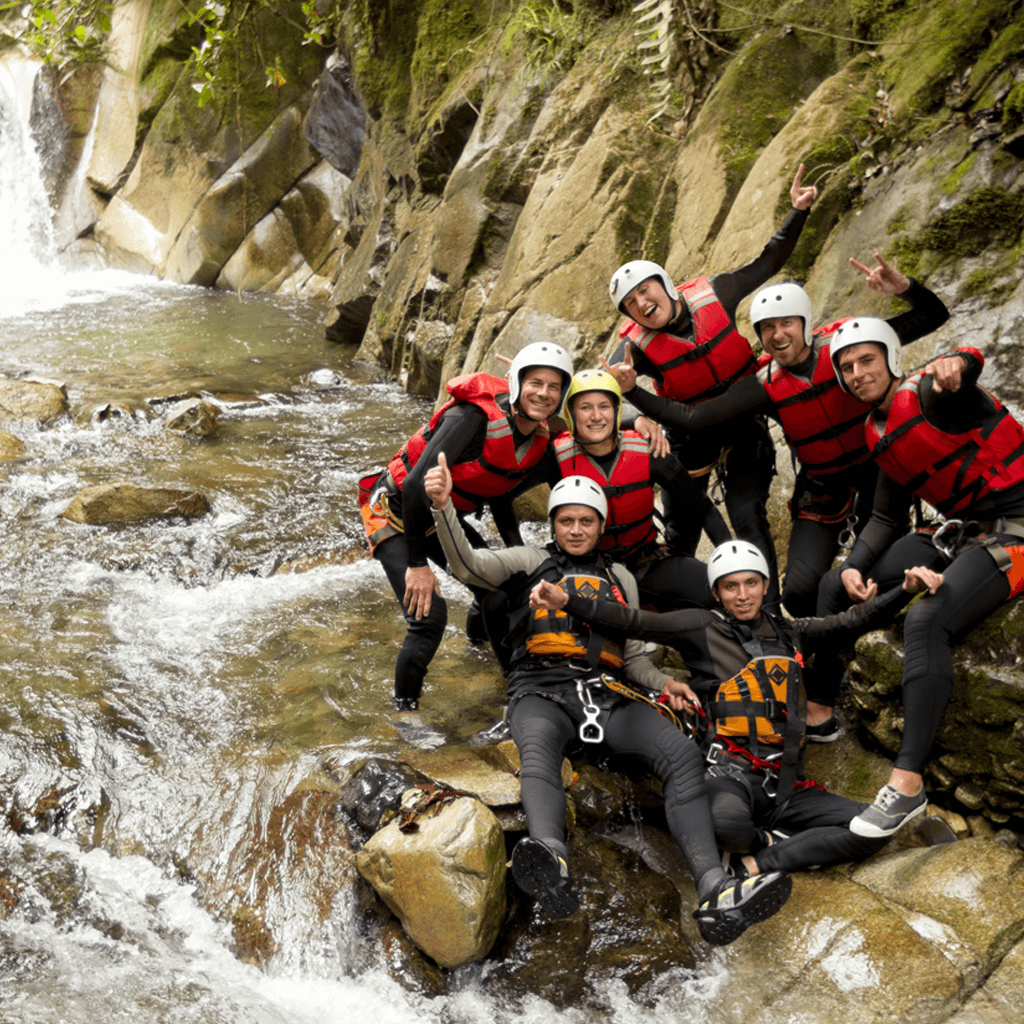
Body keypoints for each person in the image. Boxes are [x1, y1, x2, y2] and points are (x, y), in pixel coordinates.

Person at [423, 459, 792, 946]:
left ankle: (714, 887)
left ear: (601, 525)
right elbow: (469, 564)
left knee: (680, 755)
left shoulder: (621, 576)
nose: (576, 530)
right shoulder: (528, 561)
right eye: (566, 520)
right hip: (541, 691)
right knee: (537, 747)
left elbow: (634, 655)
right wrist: (444, 506)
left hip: (609, 696)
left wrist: (663, 685)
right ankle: (549, 857)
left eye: (586, 520)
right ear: (553, 524)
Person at [529, 539, 945, 875]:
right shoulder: (700, 625)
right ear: (717, 592)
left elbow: (853, 620)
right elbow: (633, 621)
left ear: (765, 586)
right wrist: (567, 601)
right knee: (725, 824)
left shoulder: (792, 632)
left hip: (788, 785)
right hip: (730, 774)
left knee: (873, 826)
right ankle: (768, 844)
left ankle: (760, 859)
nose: (742, 594)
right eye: (731, 586)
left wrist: (903, 591)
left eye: (751, 583)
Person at [603, 255, 949, 625]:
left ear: (806, 323)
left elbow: (930, 317)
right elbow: (693, 416)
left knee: (855, 576)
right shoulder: (765, 385)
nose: (779, 335)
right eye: (768, 328)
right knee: (798, 597)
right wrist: (636, 406)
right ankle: (775, 622)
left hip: (878, 482)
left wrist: (905, 288)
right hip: (822, 488)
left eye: (787, 324)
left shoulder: (849, 351)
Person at [808, 318, 1024, 837]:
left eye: (867, 360)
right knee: (834, 584)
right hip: (959, 529)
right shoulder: (876, 430)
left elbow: (964, 378)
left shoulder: (933, 394)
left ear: (890, 359)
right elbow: (885, 518)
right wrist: (856, 564)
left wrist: (961, 363)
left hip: (1015, 528)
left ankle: (906, 785)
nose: (858, 374)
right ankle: (816, 713)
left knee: (926, 619)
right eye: (847, 368)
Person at [604, 166, 819, 609]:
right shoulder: (633, 347)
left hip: (743, 424)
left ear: (665, 284)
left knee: (747, 517)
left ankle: (770, 614)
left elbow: (768, 261)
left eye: (648, 291)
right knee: (680, 536)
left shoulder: (715, 293)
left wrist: (797, 212)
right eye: (632, 303)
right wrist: (639, 414)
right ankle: (677, 615)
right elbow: (597, 396)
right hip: (691, 437)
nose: (644, 304)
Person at [357, 341, 573, 710]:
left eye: (554, 387)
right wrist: (417, 565)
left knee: (499, 588)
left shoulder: (540, 436)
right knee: (429, 618)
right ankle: (405, 715)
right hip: (395, 510)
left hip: (441, 514)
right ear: (517, 383)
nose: (544, 393)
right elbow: (413, 485)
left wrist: (515, 551)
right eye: (536, 382)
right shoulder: (471, 418)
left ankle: (482, 651)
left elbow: (500, 488)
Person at [548, 368, 731, 611]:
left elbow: (703, 509)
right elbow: (502, 488)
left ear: (616, 411)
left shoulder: (648, 451)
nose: (595, 416)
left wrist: (733, 561)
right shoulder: (553, 458)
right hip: (584, 567)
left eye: (604, 406)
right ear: (571, 414)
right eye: (584, 408)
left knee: (720, 595)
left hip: (646, 562)